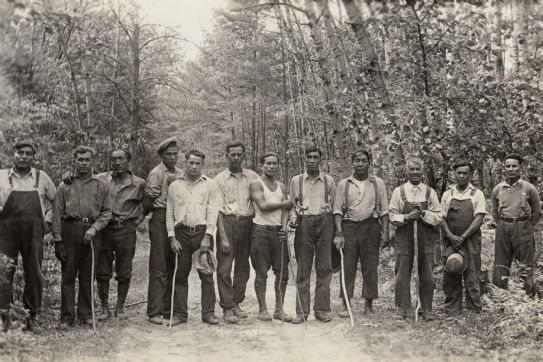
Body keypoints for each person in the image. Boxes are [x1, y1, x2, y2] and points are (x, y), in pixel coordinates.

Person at [52, 146, 112, 328]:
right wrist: (58, 240)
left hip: (92, 232)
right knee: (68, 275)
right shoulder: (65, 185)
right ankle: (67, 317)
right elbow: (56, 214)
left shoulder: (102, 185)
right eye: (80, 160)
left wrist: (95, 227)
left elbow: (107, 212)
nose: (84, 163)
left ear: (93, 161)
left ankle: (85, 314)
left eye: (87, 159)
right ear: (75, 161)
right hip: (70, 229)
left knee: (88, 275)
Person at [0, 141, 56, 333]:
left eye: (28, 154)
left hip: (34, 231)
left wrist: (47, 221)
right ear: (13, 154)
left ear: (33, 157)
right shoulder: (1, 176)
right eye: (20, 153)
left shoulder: (41, 177)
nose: (24, 156)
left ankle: (31, 317)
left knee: (34, 273)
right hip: (6, 231)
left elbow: (56, 201)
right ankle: (5, 319)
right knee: (4, 273)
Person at [332, 149, 389, 316]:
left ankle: (369, 304)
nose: (360, 164)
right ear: (352, 163)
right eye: (357, 160)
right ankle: (346, 304)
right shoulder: (344, 184)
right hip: (349, 227)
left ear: (369, 163)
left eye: (364, 160)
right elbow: (337, 211)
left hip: (371, 227)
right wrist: (339, 233)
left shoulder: (378, 183)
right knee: (347, 266)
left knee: (370, 266)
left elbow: (385, 211)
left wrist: (385, 232)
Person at [167, 150, 220, 325]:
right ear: (186, 163)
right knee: (180, 275)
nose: (194, 166)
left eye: (198, 163)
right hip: (181, 233)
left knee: (206, 274)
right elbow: (170, 213)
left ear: (202, 165)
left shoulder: (210, 185)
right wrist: (172, 237)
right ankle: (180, 314)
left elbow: (213, 212)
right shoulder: (175, 185)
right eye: (191, 163)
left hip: (201, 233)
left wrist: (208, 236)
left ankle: (208, 313)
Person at [94, 149, 146, 320]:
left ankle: (120, 307)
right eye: (113, 159)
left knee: (125, 269)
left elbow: (146, 205)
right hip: (105, 229)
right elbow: (84, 182)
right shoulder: (101, 179)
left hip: (126, 230)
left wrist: (135, 223)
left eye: (121, 158)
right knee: (102, 269)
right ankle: (104, 307)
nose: (116, 162)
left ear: (128, 160)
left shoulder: (138, 183)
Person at [389, 157, 441, 320]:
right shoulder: (399, 191)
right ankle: (403, 309)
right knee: (402, 272)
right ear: (407, 171)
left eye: (418, 169)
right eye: (412, 169)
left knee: (426, 273)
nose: (415, 172)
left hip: (425, 237)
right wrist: (407, 217)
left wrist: (424, 213)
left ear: (422, 170)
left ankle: (426, 309)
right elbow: (392, 215)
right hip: (404, 237)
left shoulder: (429, 192)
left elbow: (439, 216)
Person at [288, 147, 336, 324]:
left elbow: (335, 206)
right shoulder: (296, 181)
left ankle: (322, 309)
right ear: (304, 159)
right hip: (304, 223)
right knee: (303, 269)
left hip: (325, 223)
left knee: (324, 268)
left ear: (320, 160)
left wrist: (337, 231)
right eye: (309, 157)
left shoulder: (329, 181)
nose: (312, 160)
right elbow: (292, 206)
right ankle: (302, 312)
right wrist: (293, 219)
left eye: (316, 157)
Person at [214, 141, 259, 324]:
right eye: (232, 154)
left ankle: (236, 303)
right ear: (226, 156)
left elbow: (260, 202)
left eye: (239, 154)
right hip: (228, 223)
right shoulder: (218, 179)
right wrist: (223, 235)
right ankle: (226, 308)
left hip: (248, 224)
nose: (235, 158)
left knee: (243, 267)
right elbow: (216, 209)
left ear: (244, 156)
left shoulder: (253, 177)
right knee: (224, 268)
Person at [144, 137, 183, 325]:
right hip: (160, 217)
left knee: (172, 264)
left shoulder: (181, 173)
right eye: (169, 154)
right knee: (159, 265)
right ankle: (154, 311)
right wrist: (152, 216)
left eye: (175, 154)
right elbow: (148, 201)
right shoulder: (157, 173)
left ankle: (169, 309)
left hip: (177, 220)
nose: (173, 157)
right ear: (161, 155)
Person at [249, 153, 293, 322]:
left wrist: (284, 227)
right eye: (268, 163)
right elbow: (263, 205)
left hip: (278, 233)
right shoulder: (255, 184)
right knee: (261, 273)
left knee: (282, 273)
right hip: (260, 232)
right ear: (262, 166)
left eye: (275, 163)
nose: (272, 166)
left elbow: (286, 211)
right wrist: (284, 204)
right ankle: (262, 309)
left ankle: (279, 309)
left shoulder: (281, 185)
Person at [491, 154, 542, 295]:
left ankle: (526, 295)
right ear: (504, 168)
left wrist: (527, 226)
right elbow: (494, 212)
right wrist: (500, 224)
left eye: (514, 166)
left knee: (525, 263)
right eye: (508, 166)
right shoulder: (498, 189)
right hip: (503, 227)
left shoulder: (529, 188)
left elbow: (537, 212)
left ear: (521, 168)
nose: (511, 169)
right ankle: (499, 295)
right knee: (501, 261)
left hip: (522, 227)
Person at [440, 159, 486, 314]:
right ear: (453, 174)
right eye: (458, 173)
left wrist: (464, 237)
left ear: (470, 175)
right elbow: (441, 218)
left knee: (472, 273)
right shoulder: (447, 194)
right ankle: (452, 308)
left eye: (465, 173)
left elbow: (479, 218)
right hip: (451, 239)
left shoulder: (477, 194)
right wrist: (451, 236)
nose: (461, 176)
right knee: (451, 270)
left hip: (470, 239)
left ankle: (474, 309)